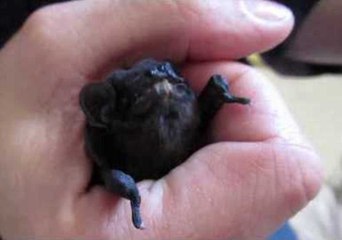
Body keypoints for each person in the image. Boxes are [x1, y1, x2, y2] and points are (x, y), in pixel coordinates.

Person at [0, 0, 322, 239]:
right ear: (108, 112)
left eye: (166, 77)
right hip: (86, 188)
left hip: (212, 161)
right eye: (144, 89)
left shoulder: (182, 94)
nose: (160, 82)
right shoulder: (110, 137)